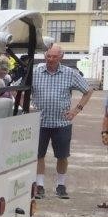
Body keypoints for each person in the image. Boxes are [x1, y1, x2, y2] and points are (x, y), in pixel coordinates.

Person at [31, 43, 92, 199]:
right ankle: (40, 185)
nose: (50, 59)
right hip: (40, 122)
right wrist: (25, 106)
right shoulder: (35, 72)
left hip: (62, 123)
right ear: (45, 56)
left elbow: (88, 90)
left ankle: (61, 185)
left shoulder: (70, 73)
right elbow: (19, 89)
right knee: (39, 155)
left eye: (54, 57)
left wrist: (76, 110)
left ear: (61, 57)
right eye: (48, 56)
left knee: (62, 156)